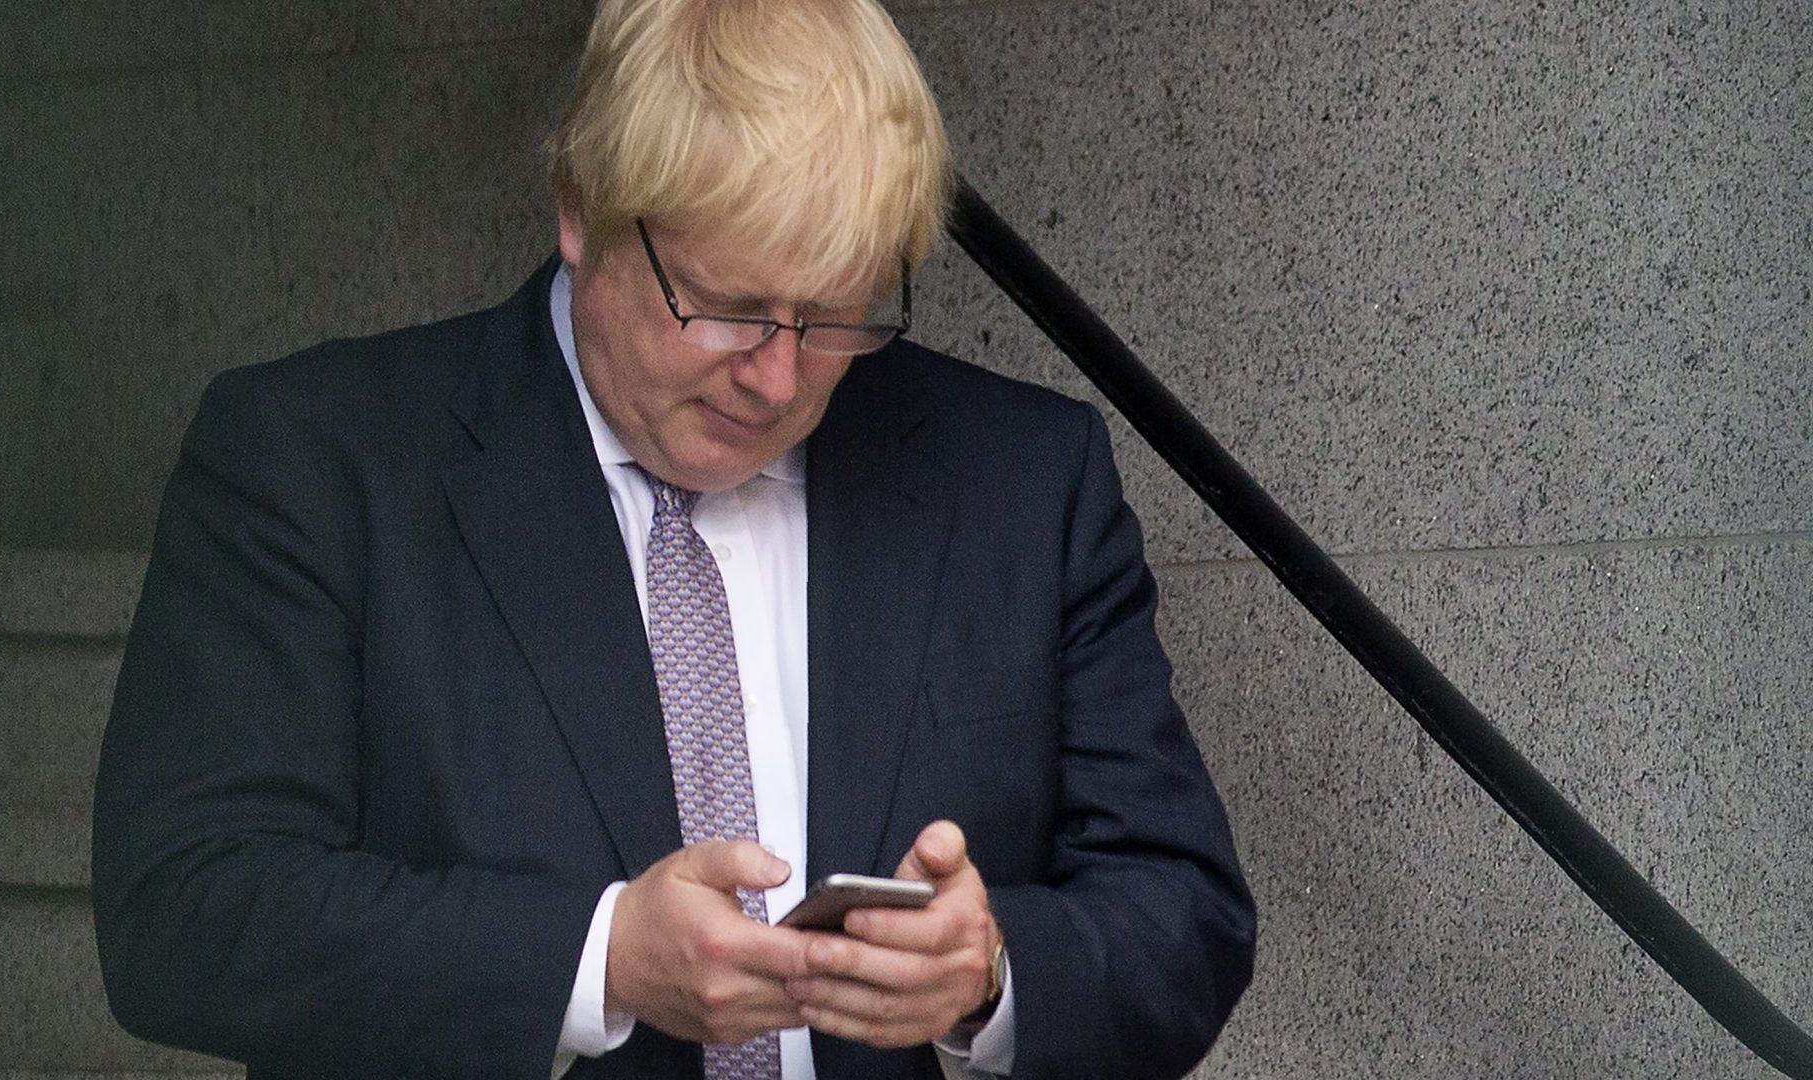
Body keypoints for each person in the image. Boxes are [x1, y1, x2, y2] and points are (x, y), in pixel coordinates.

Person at [91, 0, 1256, 1077]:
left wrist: (989, 970)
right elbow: (184, 909)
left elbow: (1183, 915)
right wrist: (597, 963)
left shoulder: (1019, 478)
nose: (780, 375)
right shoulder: (318, 462)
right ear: (582, 209)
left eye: (838, 314)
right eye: (730, 305)